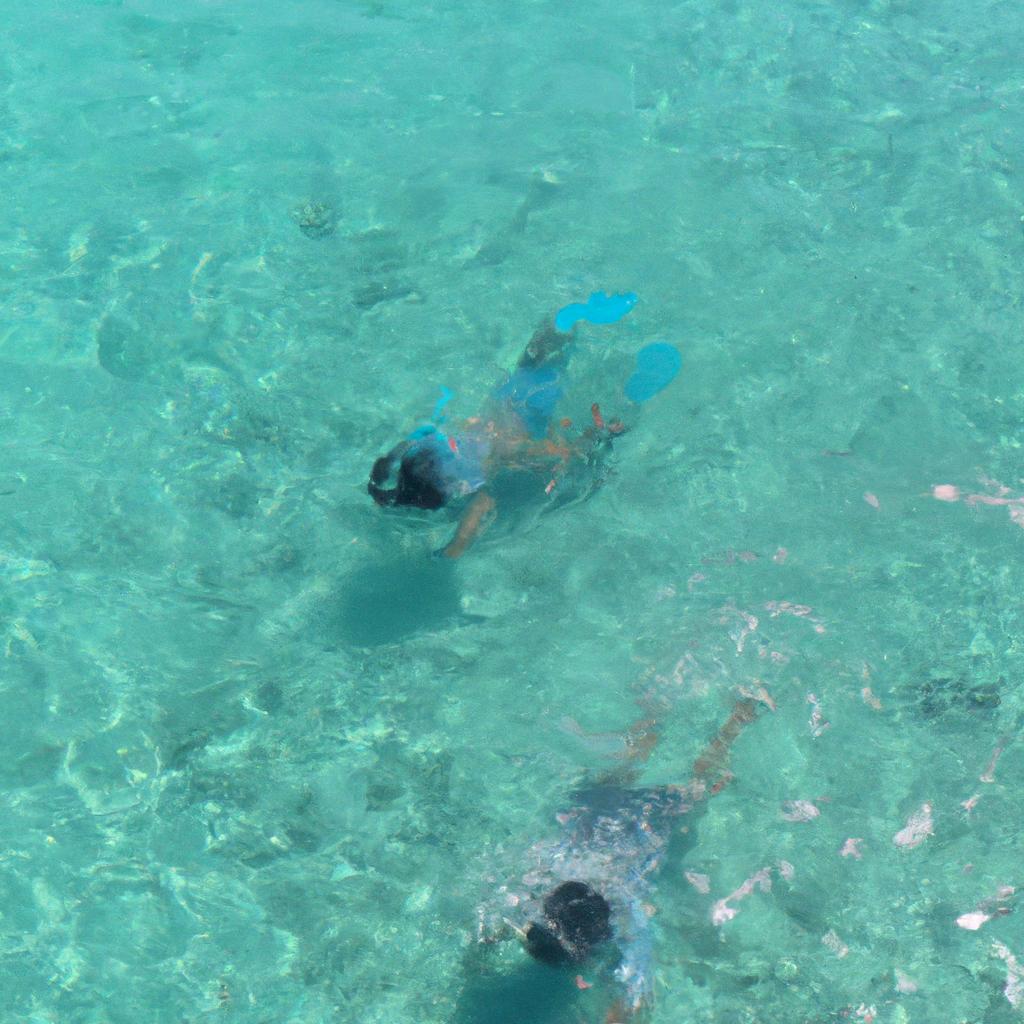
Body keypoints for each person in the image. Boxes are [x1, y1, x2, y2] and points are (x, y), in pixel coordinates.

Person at [470, 697, 762, 1023]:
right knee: (634, 767)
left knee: (700, 785)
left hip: (644, 821)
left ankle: (735, 721)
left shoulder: (629, 913)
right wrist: (485, 944)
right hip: (596, 810)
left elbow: (631, 997)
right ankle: (661, 712)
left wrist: (483, 949)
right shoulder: (545, 881)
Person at [367, 293, 679, 559]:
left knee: (599, 435)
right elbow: (411, 444)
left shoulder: (488, 482)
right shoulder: (437, 440)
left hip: (536, 423)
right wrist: (386, 469)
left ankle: (629, 400)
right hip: (513, 395)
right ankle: (567, 319)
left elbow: (464, 537)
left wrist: (447, 551)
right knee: (536, 359)